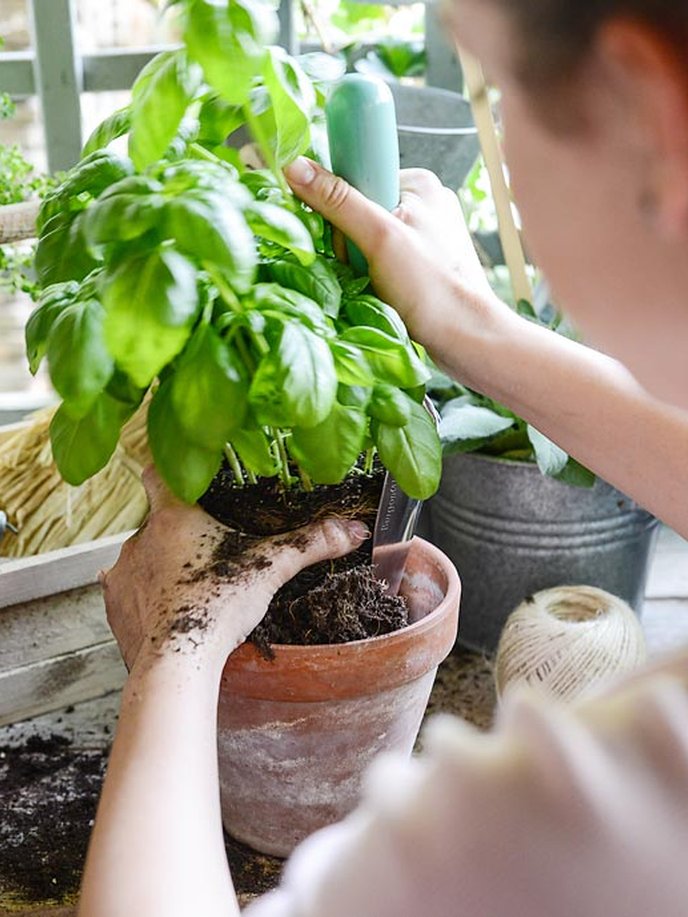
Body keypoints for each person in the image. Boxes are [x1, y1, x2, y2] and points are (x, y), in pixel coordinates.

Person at [78, 1, 688, 915]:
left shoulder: (573, 822)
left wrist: (175, 651)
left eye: (498, 87)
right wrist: (473, 328)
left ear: (644, 111)